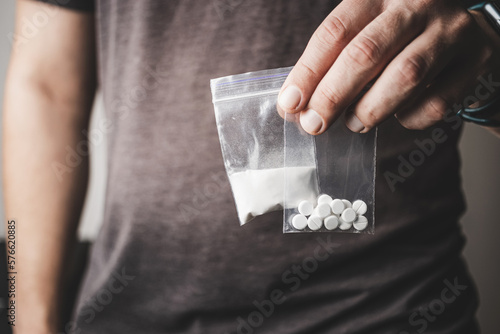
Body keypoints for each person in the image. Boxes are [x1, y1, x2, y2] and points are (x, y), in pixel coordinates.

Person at [3, 0, 500, 333]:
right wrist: (30, 319)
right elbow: (43, 87)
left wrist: (490, 63)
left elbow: (482, 52)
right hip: (127, 312)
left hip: (386, 310)